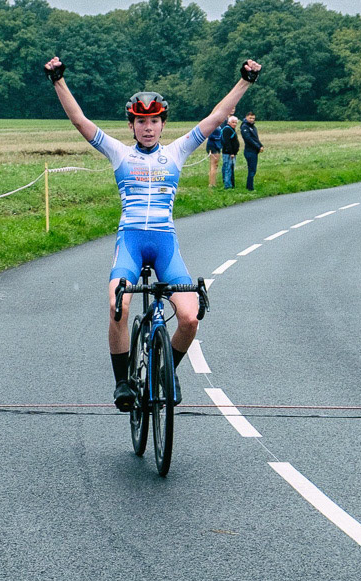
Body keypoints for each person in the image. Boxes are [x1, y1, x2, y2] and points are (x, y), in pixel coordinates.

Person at [44, 55, 262, 411]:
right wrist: (58, 81)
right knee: (120, 303)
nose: (148, 127)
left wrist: (245, 82)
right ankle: (122, 384)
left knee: (190, 317)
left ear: (162, 125)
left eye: (154, 121)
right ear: (131, 126)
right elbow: (79, 121)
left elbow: (217, 117)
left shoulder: (177, 151)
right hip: (130, 240)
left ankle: (164, 371)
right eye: (141, 121)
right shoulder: (119, 153)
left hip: (165, 244)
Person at [240, 111, 263, 191]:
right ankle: (250, 188)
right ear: (246, 117)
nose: (252, 120)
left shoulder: (253, 127)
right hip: (249, 151)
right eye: (250, 118)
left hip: (254, 150)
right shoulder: (245, 127)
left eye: (253, 118)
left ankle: (249, 186)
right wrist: (257, 147)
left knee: (253, 169)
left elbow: (255, 138)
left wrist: (261, 145)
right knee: (252, 170)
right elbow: (248, 139)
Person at [220, 115, 240, 189]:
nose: (234, 124)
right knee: (228, 168)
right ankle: (227, 185)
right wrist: (231, 152)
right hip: (228, 153)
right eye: (233, 122)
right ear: (229, 122)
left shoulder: (231, 129)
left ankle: (230, 184)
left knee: (230, 168)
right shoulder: (227, 130)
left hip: (232, 153)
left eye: (236, 123)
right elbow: (227, 142)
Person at [206, 120, 223, 187]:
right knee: (213, 164)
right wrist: (218, 138)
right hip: (213, 146)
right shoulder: (212, 126)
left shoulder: (219, 127)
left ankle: (213, 182)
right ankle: (211, 183)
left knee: (216, 165)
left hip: (218, 146)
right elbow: (210, 136)